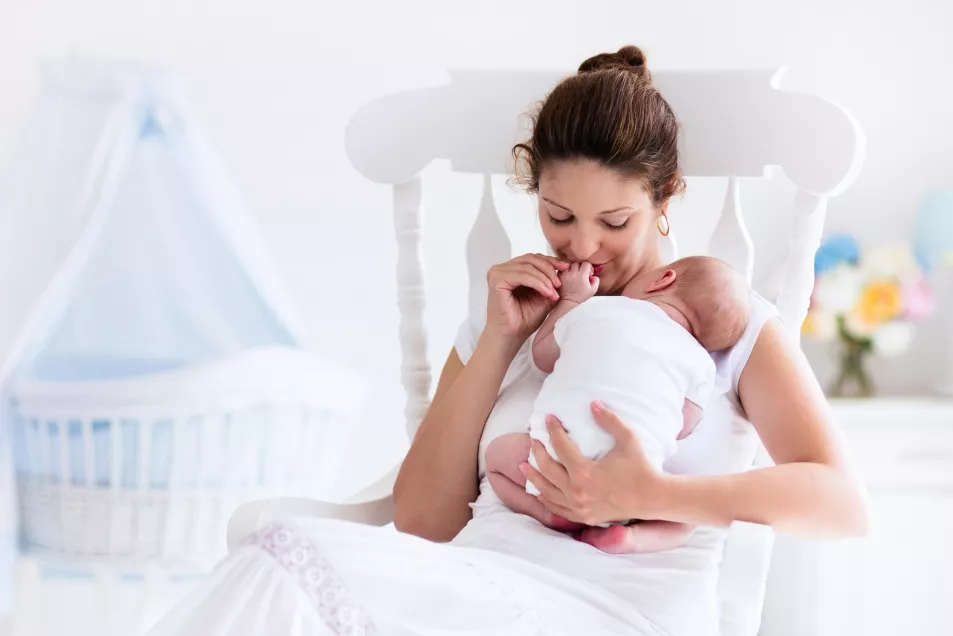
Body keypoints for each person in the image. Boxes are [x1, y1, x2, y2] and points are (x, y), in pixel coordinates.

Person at [148, 45, 868, 636]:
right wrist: (498, 340)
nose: (583, 244)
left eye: (614, 223)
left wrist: (657, 491)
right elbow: (425, 521)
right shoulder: (516, 314)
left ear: (664, 199)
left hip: (621, 610)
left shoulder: (725, 320)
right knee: (281, 554)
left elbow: (839, 502)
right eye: (558, 216)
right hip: (477, 584)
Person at [485, 255, 750, 554]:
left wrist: (571, 300)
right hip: (634, 482)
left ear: (662, 280)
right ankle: (631, 538)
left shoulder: (597, 309)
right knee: (684, 522)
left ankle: (548, 513)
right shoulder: (702, 364)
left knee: (494, 458)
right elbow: (683, 426)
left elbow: (543, 356)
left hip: (552, 462)